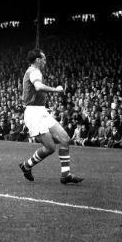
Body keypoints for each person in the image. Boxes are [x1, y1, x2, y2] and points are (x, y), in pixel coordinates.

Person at [18, 48, 83, 185]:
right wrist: (56, 90)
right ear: (38, 60)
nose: (45, 61)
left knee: (64, 139)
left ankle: (66, 175)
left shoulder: (35, 71)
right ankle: (27, 165)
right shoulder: (34, 71)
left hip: (42, 111)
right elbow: (38, 86)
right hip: (33, 113)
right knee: (50, 148)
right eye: (44, 59)